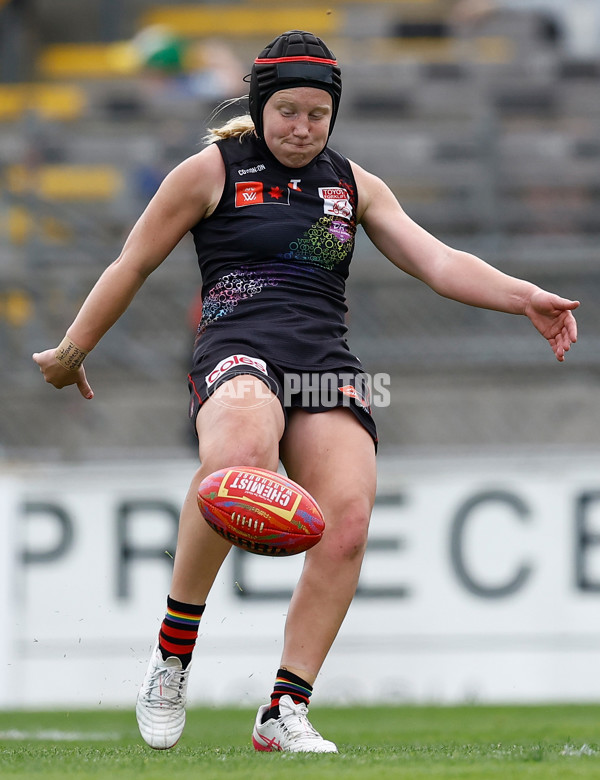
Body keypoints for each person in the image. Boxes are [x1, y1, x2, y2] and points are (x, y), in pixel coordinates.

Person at [33, 30, 579, 753]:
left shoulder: (353, 185)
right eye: (287, 111)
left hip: (322, 360)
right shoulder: (209, 172)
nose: (302, 127)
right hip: (237, 347)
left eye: (317, 114)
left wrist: (523, 296)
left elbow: (439, 261)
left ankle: (284, 709)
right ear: (261, 106)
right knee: (239, 457)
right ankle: (172, 657)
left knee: (347, 522)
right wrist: (73, 351)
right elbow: (130, 265)